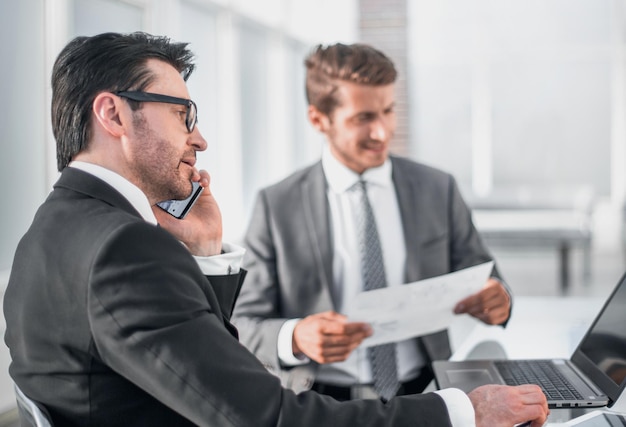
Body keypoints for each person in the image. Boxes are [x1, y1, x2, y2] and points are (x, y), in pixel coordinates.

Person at [3, 32, 547, 427]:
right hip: (323, 402)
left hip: (410, 383)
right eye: (184, 115)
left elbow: (200, 365)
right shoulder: (127, 246)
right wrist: (461, 412)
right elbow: (262, 414)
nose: (199, 139)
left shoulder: (49, 231)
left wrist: (207, 253)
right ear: (114, 115)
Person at [232, 42, 513, 401]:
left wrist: (498, 299)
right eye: (363, 118)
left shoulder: (436, 189)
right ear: (319, 119)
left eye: (388, 111)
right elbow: (242, 323)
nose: (382, 132)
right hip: (322, 402)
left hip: (426, 391)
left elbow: (489, 279)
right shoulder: (277, 205)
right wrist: (295, 337)